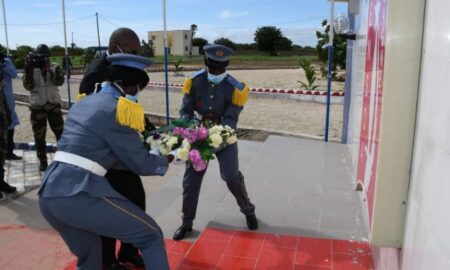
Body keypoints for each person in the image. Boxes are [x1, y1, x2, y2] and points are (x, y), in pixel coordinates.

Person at [38, 53, 174, 270]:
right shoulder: (118, 109)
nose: (137, 94)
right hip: (79, 192)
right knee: (151, 236)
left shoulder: (85, 102)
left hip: (49, 194)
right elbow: (140, 163)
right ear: (129, 85)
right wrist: (167, 158)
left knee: (91, 257)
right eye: (137, 88)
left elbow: (105, 155)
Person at [79, 28, 151, 269]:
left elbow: (130, 107)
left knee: (136, 203)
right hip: (104, 161)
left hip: (124, 156)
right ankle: (107, 261)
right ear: (114, 47)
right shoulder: (95, 75)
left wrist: (149, 130)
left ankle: (128, 251)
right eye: (132, 51)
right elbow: (95, 116)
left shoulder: (125, 70)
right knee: (107, 213)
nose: (136, 56)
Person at [173, 44, 258, 241]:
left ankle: (248, 210)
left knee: (231, 176)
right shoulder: (194, 81)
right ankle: (186, 223)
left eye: (221, 68)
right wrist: (194, 128)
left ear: (226, 66)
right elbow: (185, 111)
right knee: (191, 180)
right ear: (206, 64)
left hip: (225, 137)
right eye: (213, 68)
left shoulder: (235, 88)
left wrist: (218, 135)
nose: (216, 72)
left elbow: (231, 118)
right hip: (198, 136)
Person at [23, 44, 65, 171]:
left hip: (53, 105)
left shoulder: (54, 66)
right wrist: (29, 69)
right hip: (37, 107)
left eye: (45, 56)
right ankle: (43, 161)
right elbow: (28, 86)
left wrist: (49, 71)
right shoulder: (31, 68)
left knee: (61, 133)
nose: (43, 58)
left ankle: (63, 159)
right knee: (39, 136)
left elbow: (60, 82)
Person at [0, 51, 21, 160]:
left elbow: (14, 74)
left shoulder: (6, 62)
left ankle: (9, 152)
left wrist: (3, 65)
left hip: (7, 100)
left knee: (9, 124)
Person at [0, 68, 17, 198]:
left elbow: (3, 95)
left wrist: (8, 113)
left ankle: (0, 182)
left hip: (2, 122)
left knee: (2, 153)